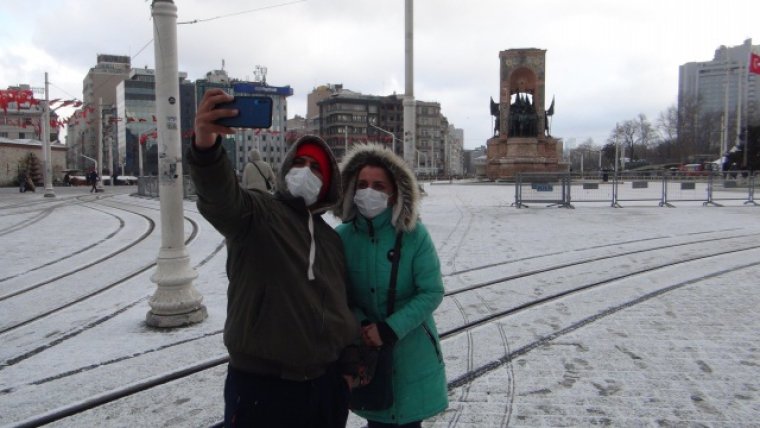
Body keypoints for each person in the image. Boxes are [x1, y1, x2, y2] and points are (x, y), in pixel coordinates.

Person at [187, 88, 360, 428]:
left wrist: (348, 368)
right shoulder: (258, 213)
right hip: (262, 389)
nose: (306, 171)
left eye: (316, 168)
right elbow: (221, 198)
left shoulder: (331, 240)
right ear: (284, 169)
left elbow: (343, 307)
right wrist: (206, 146)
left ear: (328, 184)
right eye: (299, 163)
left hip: (326, 389)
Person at [333, 144, 448, 427]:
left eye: (378, 185)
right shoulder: (342, 238)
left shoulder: (414, 235)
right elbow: (338, 294)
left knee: (407, 419)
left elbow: (431, 291)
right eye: (361, 184)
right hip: (366, 357)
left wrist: (389, 328)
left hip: (411, 354)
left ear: (394, 191)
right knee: (377, 415)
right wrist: (362, 324)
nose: (368, 191)